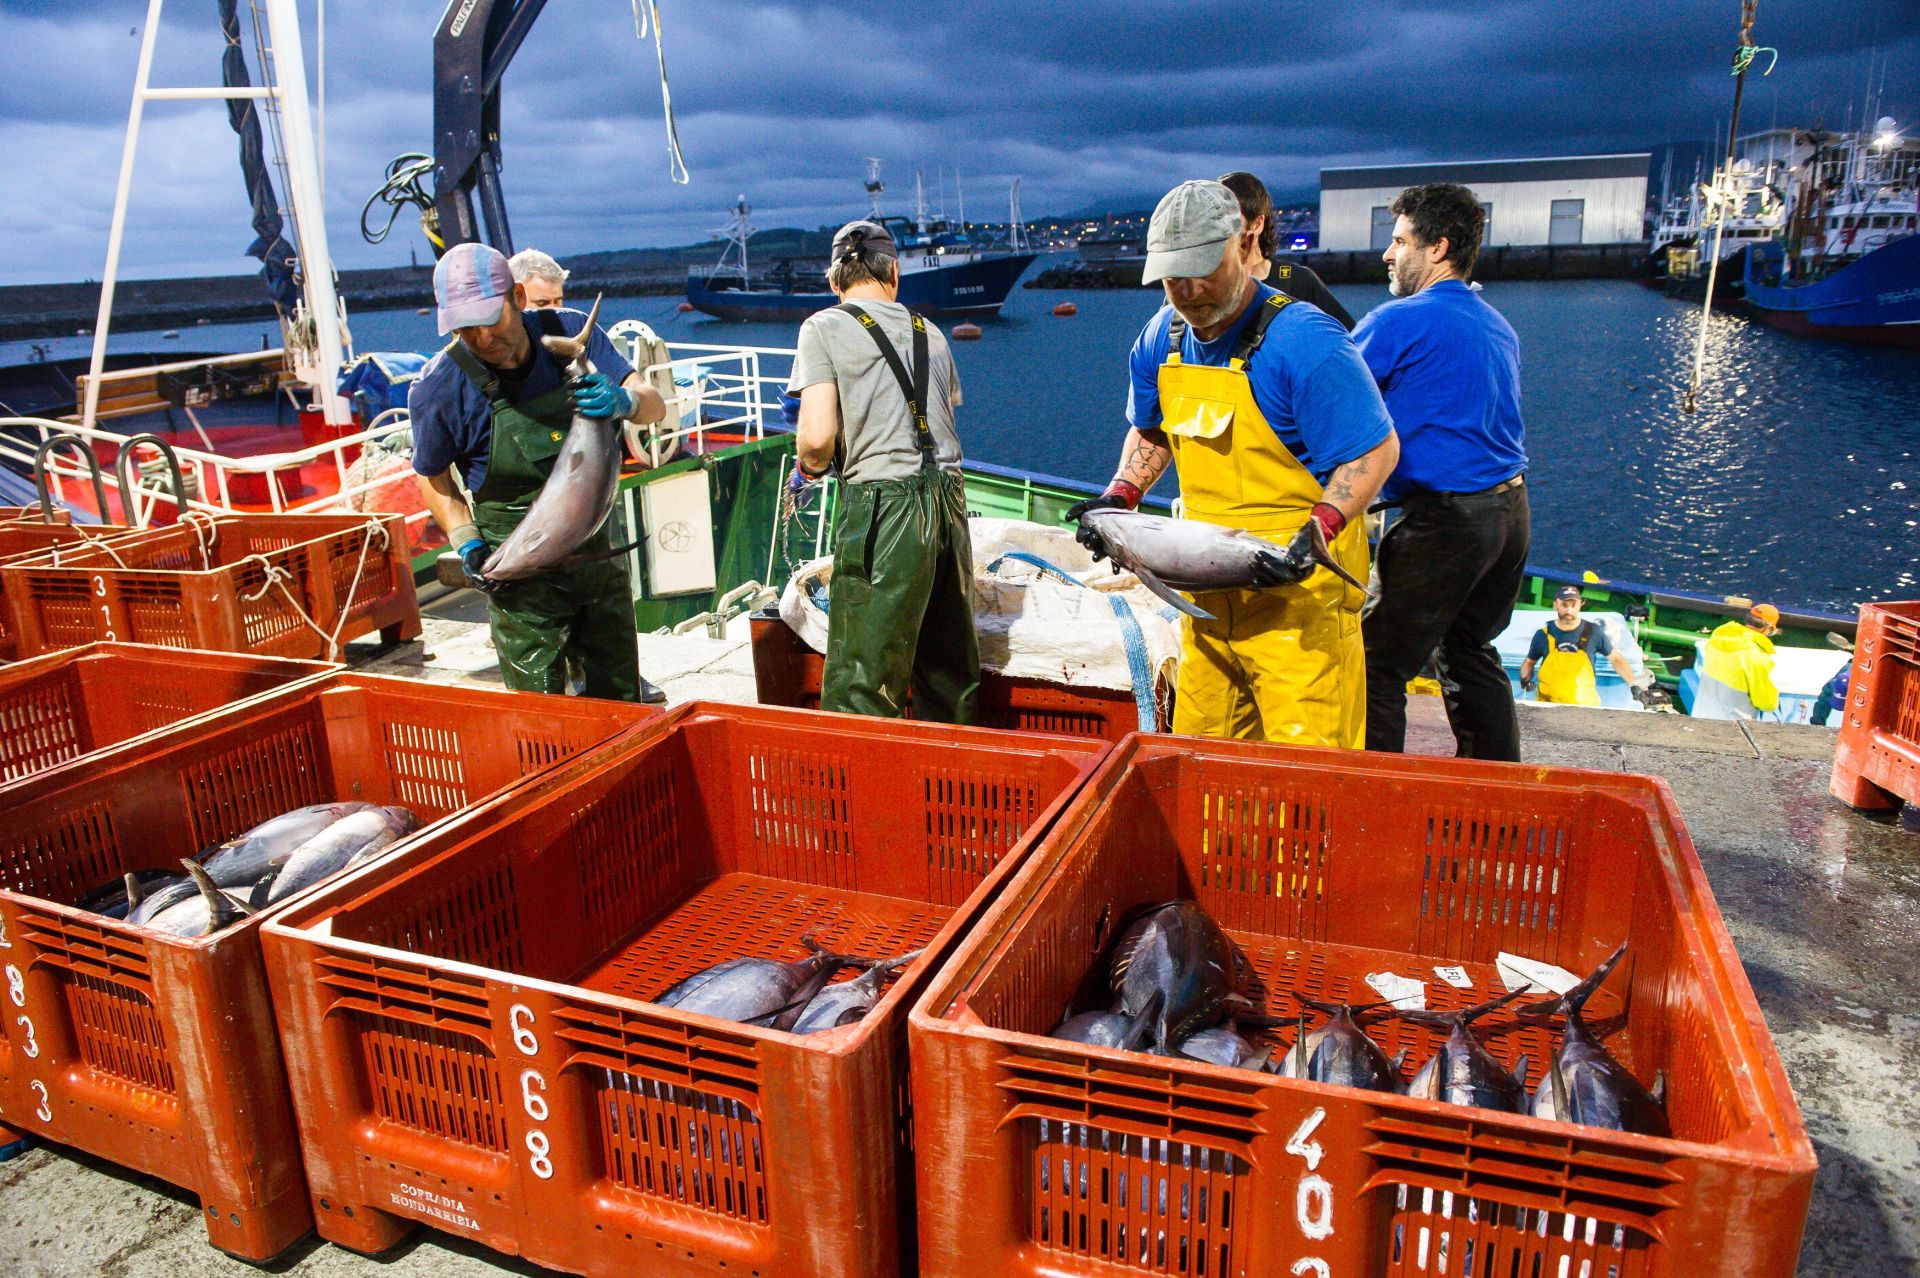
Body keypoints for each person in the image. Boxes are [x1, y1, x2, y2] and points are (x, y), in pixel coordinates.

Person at [1070, 180, 1399, 747]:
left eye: (1205, 269)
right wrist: (1120, 497)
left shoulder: (1305, 340)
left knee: (1305, 781)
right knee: (1203, 760)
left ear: (1241, 246)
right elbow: (1154, 432)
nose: (1191, 290)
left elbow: (1373, 451)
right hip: (1205, 605)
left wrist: (1318, 530)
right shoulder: (1160, 340)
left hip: (1299, 606)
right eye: (1174, 277)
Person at [411, 242, 668, 703]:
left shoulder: (566, 330)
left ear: (518, 298)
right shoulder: (438, 387)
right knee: (539, 717)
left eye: (490, 320)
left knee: (621, 701)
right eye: (465, 329)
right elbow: (434, 477)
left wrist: (625, 401)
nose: (482, 339)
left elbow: (653, 404)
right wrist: (465, 538)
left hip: (597, 560)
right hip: (522, 581)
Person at [1354, 183, 1530, 760]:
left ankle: (1369, 805)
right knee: (1470, 649)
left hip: (1448, 521)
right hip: (1510, 513)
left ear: (1437, 249)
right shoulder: (1498, 325)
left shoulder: (1400, 320)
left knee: (1375, 663)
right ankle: (1495, 795)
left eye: (1399, 240)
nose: (1388, 253)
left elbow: (1329, 392)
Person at [786, 220, 980, 723]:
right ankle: (950, 792)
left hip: (882, 509)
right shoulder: (931, 332)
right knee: (949, 674)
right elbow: (942, 418)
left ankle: (862, 798)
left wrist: (807, 472)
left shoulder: (823, 327)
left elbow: (816, 440)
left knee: (863, 682)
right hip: (949, 506)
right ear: (894, 272)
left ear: (835, 282)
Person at [1217, 171, 1356, 329]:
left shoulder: (1298, 282)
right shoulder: (1207, 286)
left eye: (1230, 219)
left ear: (1257, 224)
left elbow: (1353, 337)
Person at [1519, 586, 1648, 706]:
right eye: (1564, 605)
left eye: (1573, 605)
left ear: (1580, 605)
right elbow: (1529, 662)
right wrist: (1525, 680)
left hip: (1584, 709)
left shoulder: (1594, 632)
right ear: (1555, 605)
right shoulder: (1543, 634)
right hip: (1546, 705)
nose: (1569, 610)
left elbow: (1616, 659)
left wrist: (1633, 683)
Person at [1694, 604, 1782, 720]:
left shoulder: (1718, 636)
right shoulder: (1757, 658)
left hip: (1700, 718)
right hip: (1731, 730)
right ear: (1768, 628)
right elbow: (1767, 703)